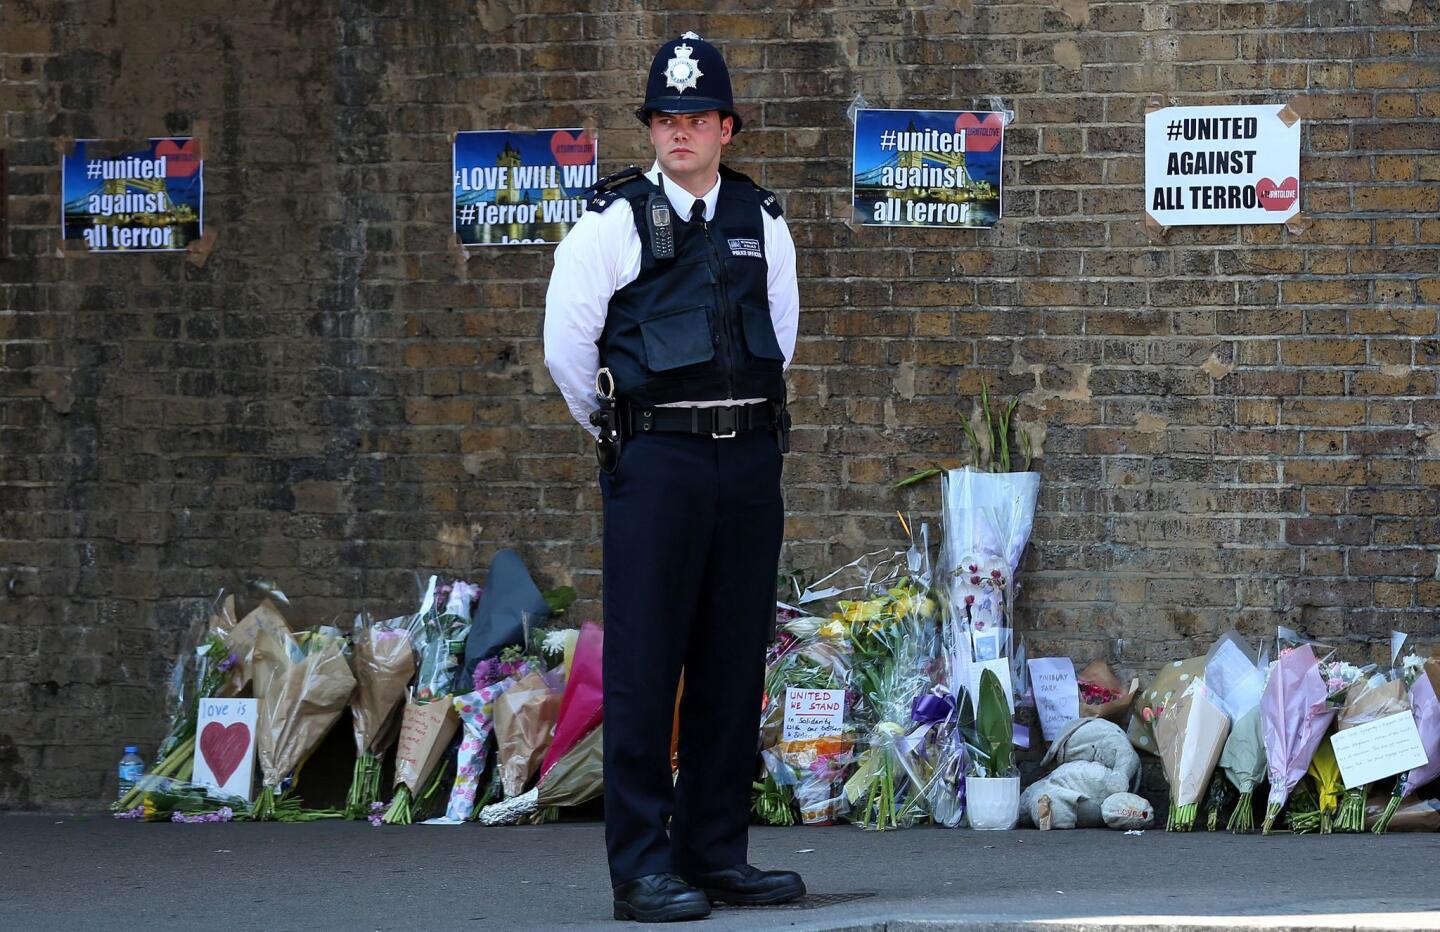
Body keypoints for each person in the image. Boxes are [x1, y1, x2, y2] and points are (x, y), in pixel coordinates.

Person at [543, 32, 803, 924]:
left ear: (727, 127)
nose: (678, 131)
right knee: (649, 668)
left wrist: (737, 436)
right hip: (656, 460)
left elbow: (782, 337)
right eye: (664, 118)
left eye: (695, 117)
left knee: (733, 664)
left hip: (748, 458)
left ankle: (713, 851)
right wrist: (629, 434)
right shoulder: (611, 224)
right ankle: (643, 868)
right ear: (650, 129)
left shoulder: (762, 222)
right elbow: (569, 352)